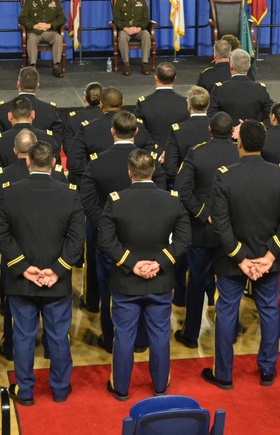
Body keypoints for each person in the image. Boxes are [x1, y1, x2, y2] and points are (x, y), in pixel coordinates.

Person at [203, 120, 280, 389]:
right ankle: (268, 370)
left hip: (233, 260)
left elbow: (220, 224)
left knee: (226, 313)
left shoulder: (224, 175)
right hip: (269, 261)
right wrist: (269, 257)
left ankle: (224, 375)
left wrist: (241, 258)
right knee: (269, 312)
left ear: (240, 143)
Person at [0, 142, 83, 406]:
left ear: (28, 162)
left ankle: (26, 391)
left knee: (23, 336)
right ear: (54, 164)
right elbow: (76, 240)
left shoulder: (10, 193)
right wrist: (57, 270)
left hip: (22, 280)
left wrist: (22, 267)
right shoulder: (69, 194)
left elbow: (0, 234)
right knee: (58, 337)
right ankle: (60, 389)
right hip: (57, 281)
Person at [99, 149, 190, 400]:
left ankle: (121, 388)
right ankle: (160, 386)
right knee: (160, 335)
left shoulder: (116, 200)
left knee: (124, 336)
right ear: (153, 171)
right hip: (160, 281)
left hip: (126, 281)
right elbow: (183, 239)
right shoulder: (172, 199)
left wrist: (132, 264)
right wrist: (159, 263)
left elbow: (106, 240)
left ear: (130, 173)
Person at [79, 111, 164, 353]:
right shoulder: (150, 163)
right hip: (146, 240)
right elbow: (162, 197)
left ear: (112, 132)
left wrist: (106, 227)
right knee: (146, 289)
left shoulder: (96, 163)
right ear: (136, 132)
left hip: (108, 242)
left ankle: (110, 340)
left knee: (108, 292)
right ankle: (141, 340)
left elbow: (87, 202)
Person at [173, 112, 239, 349]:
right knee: (230, 283)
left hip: (201, 231)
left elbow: (181, 189)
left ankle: (190, 334)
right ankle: (229, 332)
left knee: (196, 283)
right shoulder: (239, 153)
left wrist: (202, 213)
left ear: (209, 130)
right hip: (231, 232)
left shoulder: (197, 152)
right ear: (232, 131)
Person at [0, 66, 65, 144]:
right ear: (38, 85)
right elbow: (56, 143)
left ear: (18, 84)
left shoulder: (2, 109)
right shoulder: (50, 110)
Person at [0, 96, 59, 174]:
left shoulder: (0, 141)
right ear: (33, 114)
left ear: (9, 116)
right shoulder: (48, 138)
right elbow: (55, 168)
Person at [162, 85, 211, 187]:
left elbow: (170, 168)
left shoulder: (178, 131)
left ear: (189, 106)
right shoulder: (217, 127)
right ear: (208, 105)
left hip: (185, 186)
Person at [207, 48, 273, 123]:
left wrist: (229, 128)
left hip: (227, 133)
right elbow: (270, 116)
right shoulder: (260, 89)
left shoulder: (219, 90)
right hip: (253, 133)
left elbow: (211, 115)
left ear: (231, 65)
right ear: (249, 66)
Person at [135, 62, 189, 152]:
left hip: (151, 154)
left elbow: (138, 132)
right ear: (174, 78)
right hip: (177, 154)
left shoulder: (144, 103)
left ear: (155, 78)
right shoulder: (185, 103)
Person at [19, 0, 66, 77]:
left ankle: (56, 66)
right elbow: (22, 18)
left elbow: (62, 18)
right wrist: (34, 25)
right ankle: (32, 67)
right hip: (34, 32)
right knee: (31, 39)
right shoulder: (29, 1)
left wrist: (49, 25)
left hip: (49, 31)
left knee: (58, 37)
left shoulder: (55, 2)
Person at [112, 0, 152, 76]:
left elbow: (146, 19)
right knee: (121, 37)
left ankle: (144, 64)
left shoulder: (141, 1)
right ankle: (126, 64)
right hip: (125, 30)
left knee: (146, 35)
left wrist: (139, 28)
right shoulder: (120, 1)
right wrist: (125, 28)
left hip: (138, 29)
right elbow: (116, 20)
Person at [64, 82, 103, 157]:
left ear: (85, 98)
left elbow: (68, 147)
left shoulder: (73, 118)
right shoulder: (108, 116)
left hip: (81, 163)